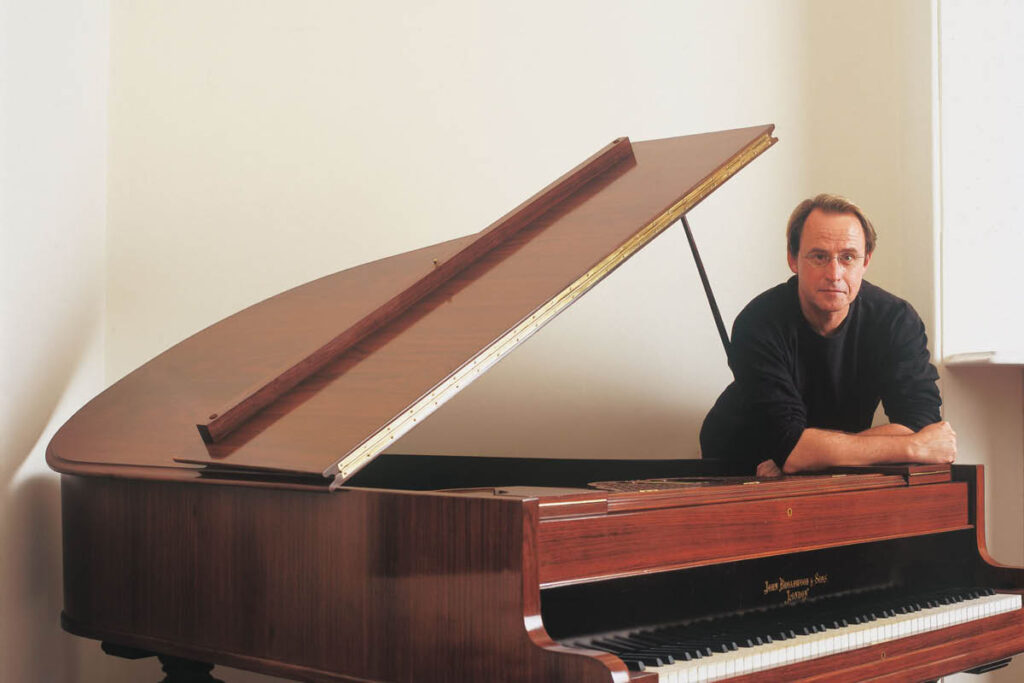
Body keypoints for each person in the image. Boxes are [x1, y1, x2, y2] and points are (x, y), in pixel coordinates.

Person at [699, 194, 957, 477]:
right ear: (793, 259)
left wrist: (816, 455)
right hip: (741, 463)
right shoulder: (757, 322)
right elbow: (792, 447)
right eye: (819, 257)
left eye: (848, 257)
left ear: (866, 261)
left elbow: (921, 424)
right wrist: (911, 447)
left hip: (814, 465)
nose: (834, 274)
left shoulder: (896, 319)